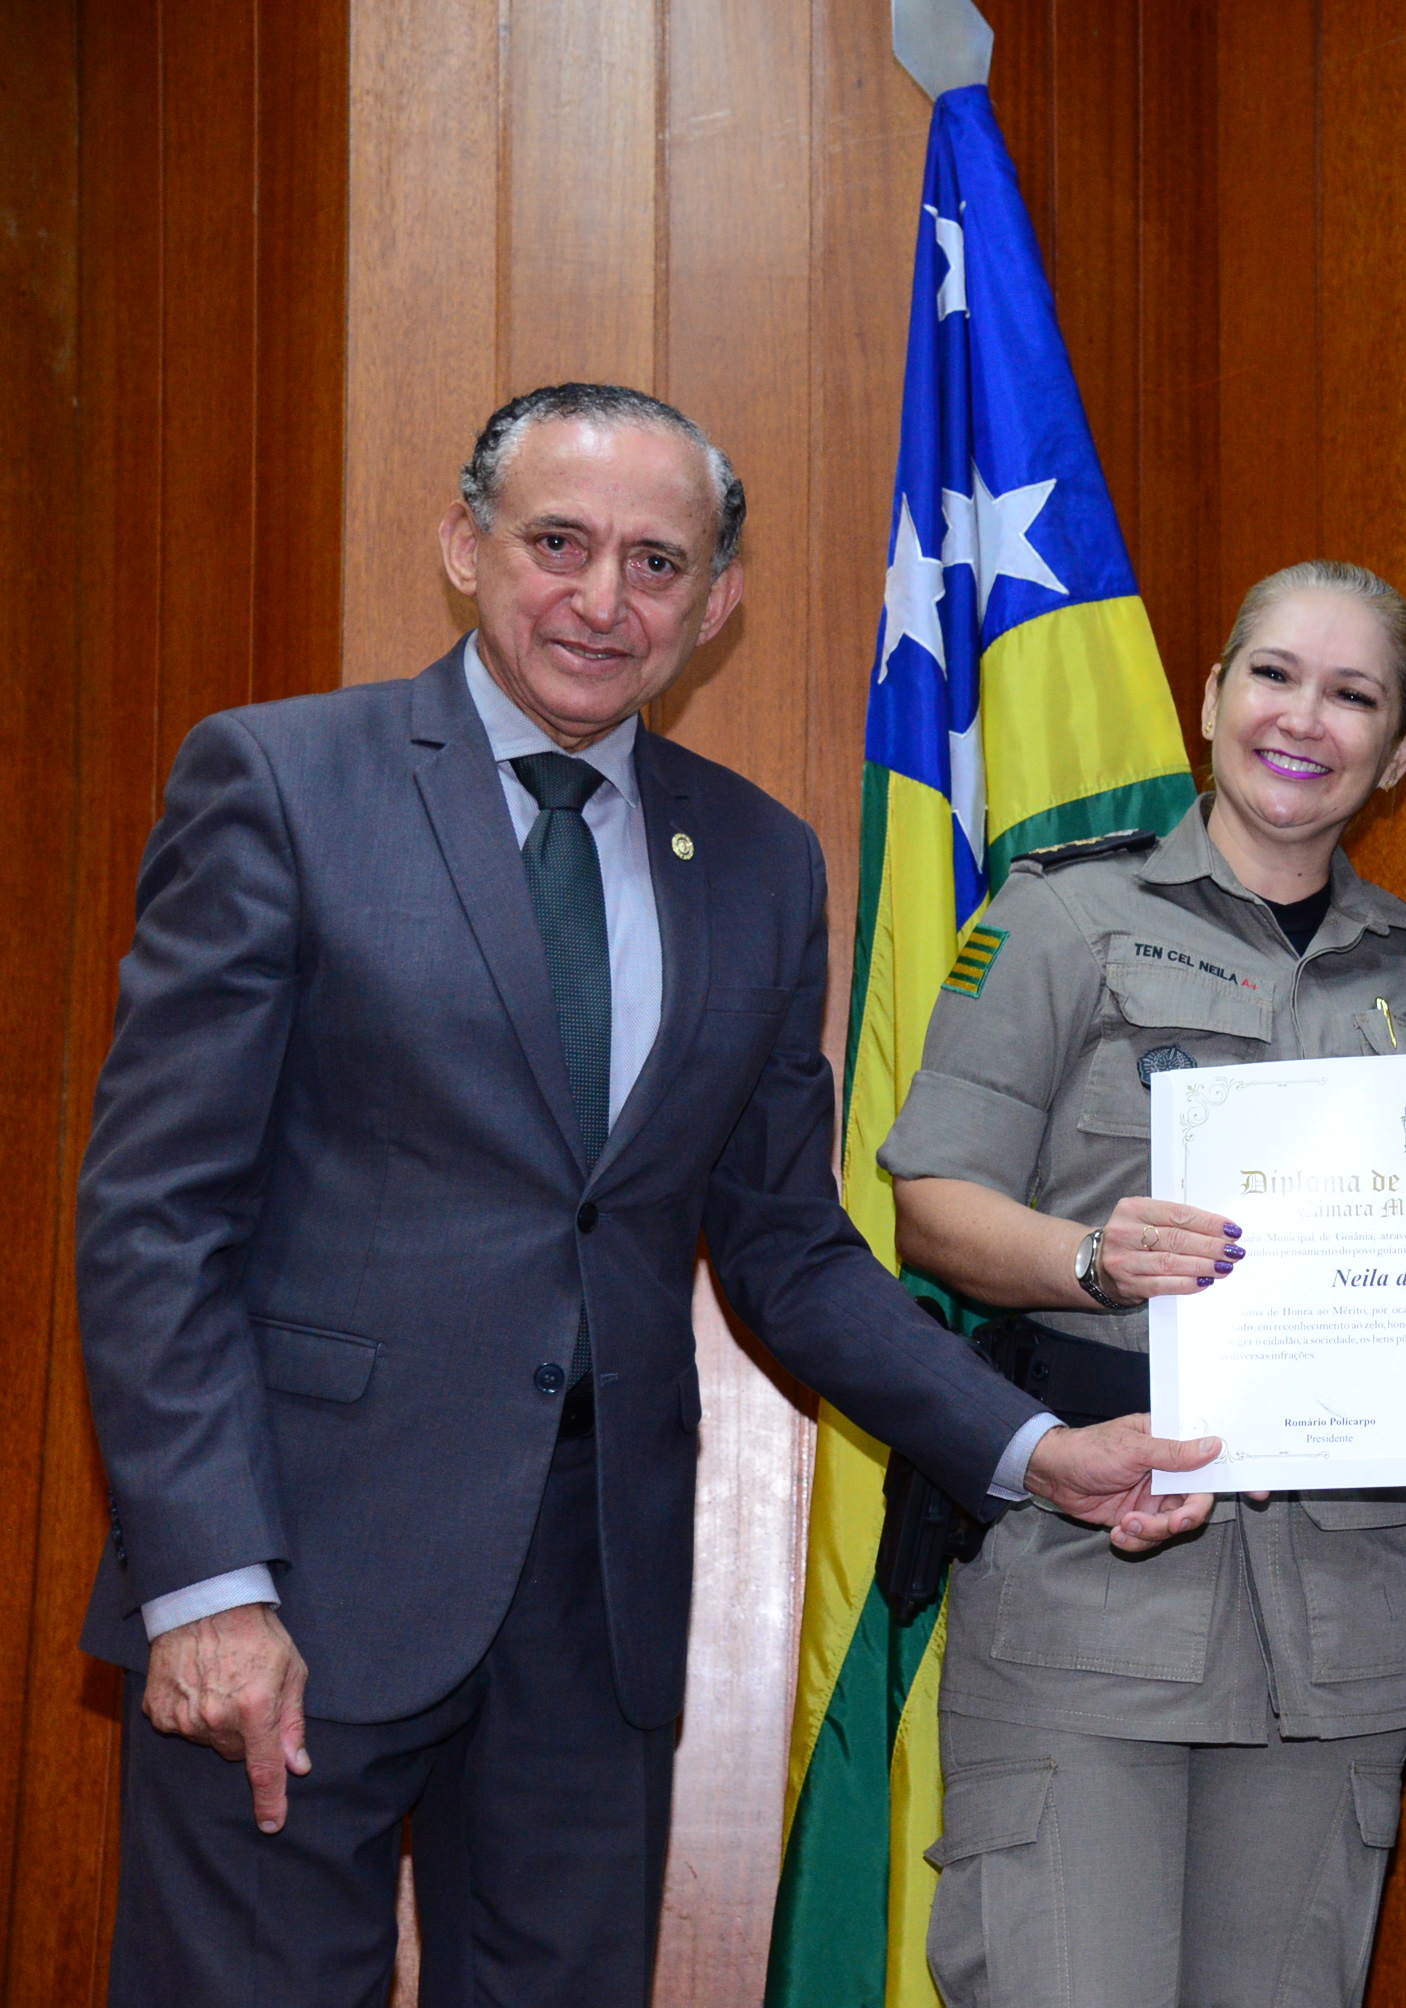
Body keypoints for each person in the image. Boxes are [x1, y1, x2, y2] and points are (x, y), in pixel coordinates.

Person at [72, 383, 1218, 2008]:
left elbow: (790, 1249)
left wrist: (1033, 1450)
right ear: (463, 545)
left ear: (718, 602)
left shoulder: (757, 859)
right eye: (559, 544)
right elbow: (154, 1219)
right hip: (297, 1580)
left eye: (658, 564)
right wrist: (207, 1584)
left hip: (592, 1616)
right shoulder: (280, 779)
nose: (603, 601)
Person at [878, 561, 1406, 2007]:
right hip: (1093, 1582)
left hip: (1344, 1611)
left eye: (1353, 696)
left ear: (1399, 751)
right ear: (1210, 699)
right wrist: (1088, 1259)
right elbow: (932, 1205)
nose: (1303, 719)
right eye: (1273, 674)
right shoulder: (1059, 917)